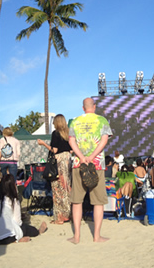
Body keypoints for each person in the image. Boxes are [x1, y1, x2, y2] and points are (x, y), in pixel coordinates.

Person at [68, 97, 113, 243]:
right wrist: (92, 156)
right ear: (94, 107)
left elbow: (71, 141)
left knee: (77, 201)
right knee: (98, 201)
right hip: (97, 164)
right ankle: (96, 236)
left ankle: (76, 237)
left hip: (77, 164)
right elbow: (104, 140)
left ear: (83, 108)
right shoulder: (102, 120)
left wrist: (81, 157)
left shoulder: (75, 121)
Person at [0, 174, 47, 244]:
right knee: (26, 228)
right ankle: (38, 232)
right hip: (5, 237)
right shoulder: (13, 200)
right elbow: (18, 221)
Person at [37, 114, 72, 224]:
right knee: (67, 187)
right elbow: (71, 150)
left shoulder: (55, 134)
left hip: (59, 162)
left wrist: (43, 144)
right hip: (68, 160)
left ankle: (60, 217)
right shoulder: (68, 134)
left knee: (57, 189)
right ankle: (69, 214)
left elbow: (55, 150)